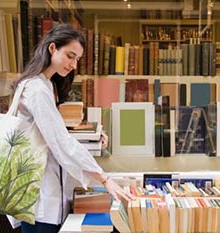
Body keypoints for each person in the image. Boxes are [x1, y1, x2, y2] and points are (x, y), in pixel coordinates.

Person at [9, 23, 135, 233]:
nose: (74, 64)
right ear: (52, 48)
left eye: (77, 58)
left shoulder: (46, 85)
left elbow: (50, 131)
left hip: (45, 196)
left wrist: (91, 136)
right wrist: (105, 179)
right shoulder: (37, 89)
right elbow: (58, 141)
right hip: (38, 200)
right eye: (70, 56)